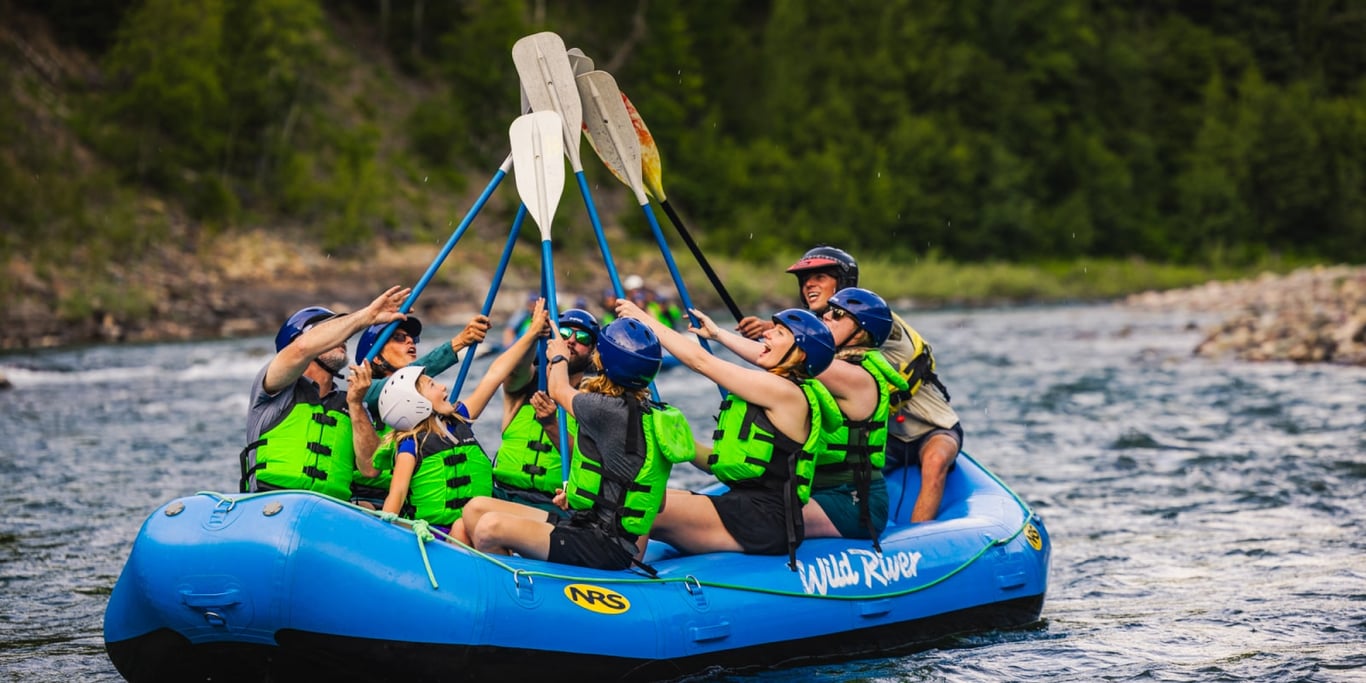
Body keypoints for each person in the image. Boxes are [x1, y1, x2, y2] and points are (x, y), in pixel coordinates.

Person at [737, 245, 963, 523]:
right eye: (805, 280)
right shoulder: (824, 329)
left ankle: (922, 538)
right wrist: (775, 330)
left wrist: (781, 332)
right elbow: (814, 336)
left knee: (936, 461)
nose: (809, 284)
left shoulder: (876, 318)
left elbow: (816, 340)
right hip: (883, 438)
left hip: (931, 427)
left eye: (819, 277)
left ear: (843, 283)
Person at [619, 299, 841, 566]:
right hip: (746, 507)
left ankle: (623, 579)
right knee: (641, 492)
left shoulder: (785, 393)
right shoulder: (779, 389)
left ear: (801, 354)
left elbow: (702, 362)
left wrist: (645, 320)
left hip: (763, 520)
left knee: (644, 507)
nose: (766, 333)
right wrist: (682, 445)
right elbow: (720, 464)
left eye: (779, 333)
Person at [461, 318, 690, 571]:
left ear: (601, 361)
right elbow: (657, 503)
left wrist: (559, 356)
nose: (572, 341)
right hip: (586, 523)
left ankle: (517, 592)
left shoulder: (603, 409)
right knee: (475, 509)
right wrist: (580, 496)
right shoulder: (642, 411)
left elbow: (558, 388)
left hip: (602, 544)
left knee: (489, 527)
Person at [374, 299, 550, 542]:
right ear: (414, 402)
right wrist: (382, 538)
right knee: (460, 526)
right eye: (433, 385)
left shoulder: (460, 420)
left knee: (467, 525)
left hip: (474, 529)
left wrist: (531, 334)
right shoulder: (410, 445)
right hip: (435, 536)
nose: (444, 387)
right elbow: (397, 493)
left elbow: (494, 375)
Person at [241, 286, 411, 499]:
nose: (342, 338)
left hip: (329, 512)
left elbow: (370, 468)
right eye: (331, 331)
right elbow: (302, 349)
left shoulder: (351, 403)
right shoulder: (273, 388)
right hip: (270, 503)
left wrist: (356, 404)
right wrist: (366, 317)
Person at [348, 312, 491, 508]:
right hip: (370, 498)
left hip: (415, 498)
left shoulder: (430, 403)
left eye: (412, 338)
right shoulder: (366, 391)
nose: (410, 342)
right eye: (399, 338)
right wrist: (459, 342)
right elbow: (400, 382)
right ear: (378, 359)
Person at [492, 308, 600, 515]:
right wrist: (534, 334)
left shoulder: (593, 400)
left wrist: (551, 424)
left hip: (553, 504)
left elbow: (587, 460)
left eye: (583, 338)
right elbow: (514, 367)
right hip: (503, 494)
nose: (571, 341)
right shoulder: (525, 384)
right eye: (565, 334)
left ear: (593, 350)